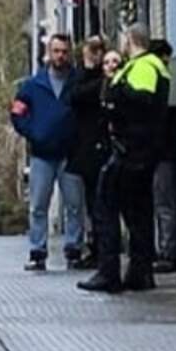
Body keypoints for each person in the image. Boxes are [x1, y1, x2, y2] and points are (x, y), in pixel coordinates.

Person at [80, 30, 175, 295]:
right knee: (138, 213)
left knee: (106, 205)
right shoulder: (150, 66)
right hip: (141, 150)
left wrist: (116, 94)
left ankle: (108, 272)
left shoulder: (143, 66)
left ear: (130, 40)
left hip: (131, 151)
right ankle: (140, 272)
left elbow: (140, 102)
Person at [8, 34, 83, 272]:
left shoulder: (77, 82)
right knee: (38, 205)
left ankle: (74, 249)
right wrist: (33, 133)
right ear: (49, 53)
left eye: (64, 51)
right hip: (42, 154)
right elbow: (17, 113)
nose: (60, 56)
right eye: (56, 51)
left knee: (75, 205)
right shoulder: (32, 85)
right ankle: (38, 251)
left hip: (71, 152)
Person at [62, 38, 115, 271]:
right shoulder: (84, 79)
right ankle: (98, 250)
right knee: (93, 202)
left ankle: (103, 253)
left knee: (101, 203)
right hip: (89, 149)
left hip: (100, 148)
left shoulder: (105, 82)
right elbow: (73, 96)